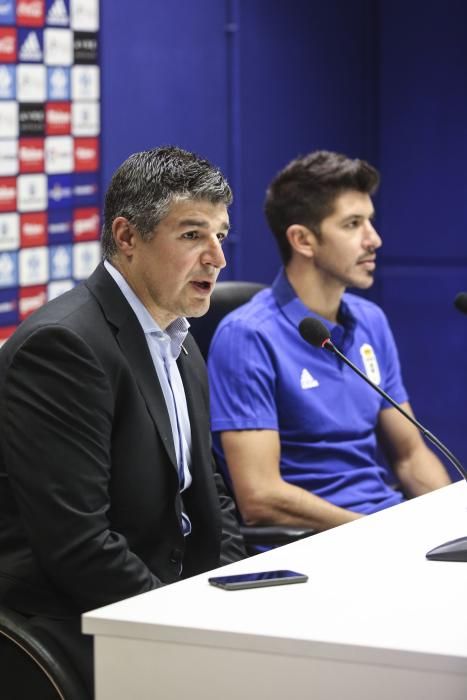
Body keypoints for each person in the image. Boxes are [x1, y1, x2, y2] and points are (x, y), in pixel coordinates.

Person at [0, 145, 246, 696]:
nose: (217, 258)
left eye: (221, 236)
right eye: (192, 235)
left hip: (164, 598)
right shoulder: (64, 346)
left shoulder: (180, 341)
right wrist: (179, 622)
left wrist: (230, 592)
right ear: (128, 238)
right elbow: (78, 545)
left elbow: (209, 492)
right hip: (68, 620)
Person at [208, 150, 451, 535]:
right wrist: (374, 532)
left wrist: (451, 524)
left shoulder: (371, 321)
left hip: (383, 526)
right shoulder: (247, 337)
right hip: (310, 546)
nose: (374, 239)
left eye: (369, 221)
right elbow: (260, 497)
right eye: (353, 224)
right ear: (303, 240)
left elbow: (409, 456)